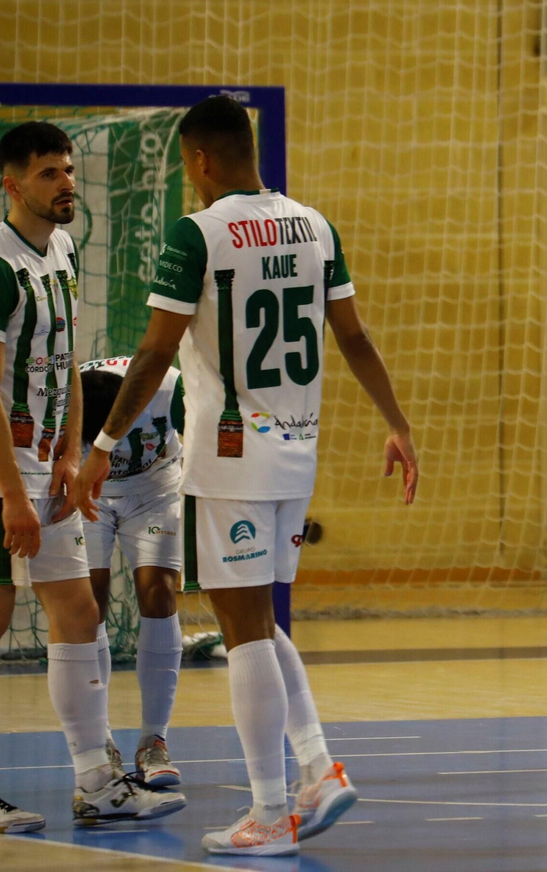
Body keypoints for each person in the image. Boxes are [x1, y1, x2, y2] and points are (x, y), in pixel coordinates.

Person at [70, 96, 420, 856]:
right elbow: (353, 336)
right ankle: (318, 770)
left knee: (240, 630)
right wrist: (397, 423)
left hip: (229, 455)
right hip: (298, 449)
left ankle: (269, 812)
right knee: (259, 618)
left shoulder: (197, 234)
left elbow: (157, 352)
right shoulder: (315, 225)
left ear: (199, 160)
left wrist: (103, 441)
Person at [0, 121, 182, 832]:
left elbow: (68, 363)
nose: (66, 182)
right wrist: (13, 492)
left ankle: (99, 783)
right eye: (48, 173)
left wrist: (72, 455)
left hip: (48, 466)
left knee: (77, 613)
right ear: (13, 185)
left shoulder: (63, 249)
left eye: (68, 170)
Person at [77, 356, 186, 786]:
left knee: (158, 592)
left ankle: (153, 741)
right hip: (93, 491)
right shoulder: (72, 399)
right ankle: (100, 737)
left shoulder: (169, 388)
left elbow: (206, 439)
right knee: (87, 604)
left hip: (155, 488)